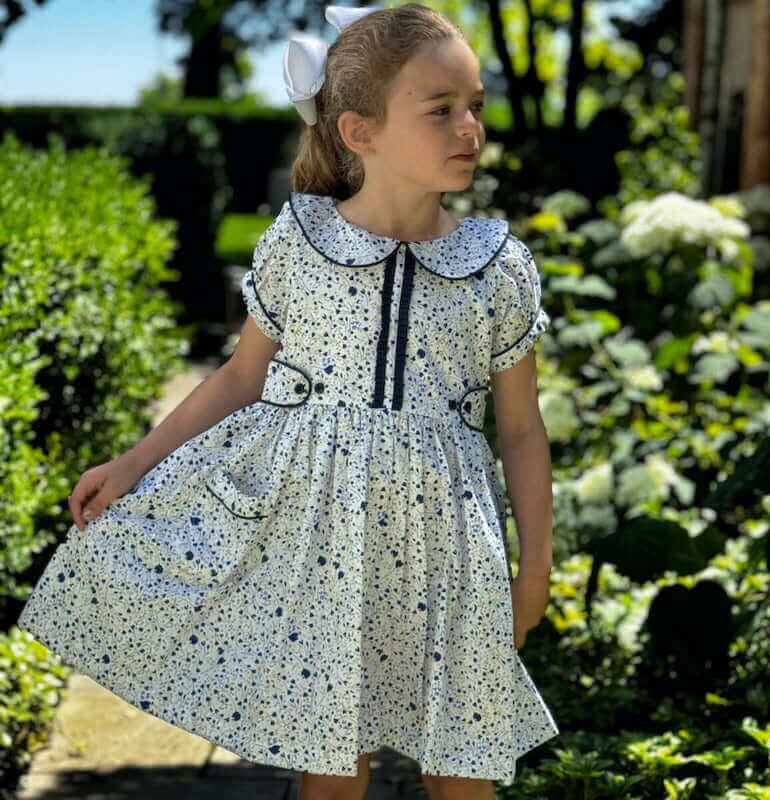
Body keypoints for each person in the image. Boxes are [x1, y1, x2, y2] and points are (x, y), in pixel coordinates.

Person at [16, 3, 559, 799]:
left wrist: (535, 570)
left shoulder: (497, 268)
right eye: (440, 110)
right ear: (358, 132)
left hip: (451, 554)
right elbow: (238, 378)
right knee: (332, 770)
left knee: (463, 771)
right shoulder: (300, 244)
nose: (468, 127)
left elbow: (520, 426)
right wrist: (132, 466)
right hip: (323, 541)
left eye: (475, 105)